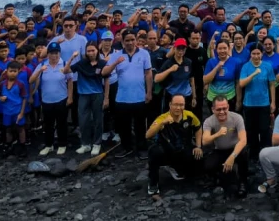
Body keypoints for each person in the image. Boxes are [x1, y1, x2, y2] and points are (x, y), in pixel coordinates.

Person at [101, 30, 153, 159]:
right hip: (122, 97)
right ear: (122, 42)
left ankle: (141, 148)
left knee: (140, 125)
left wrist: (149, 92)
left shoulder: (144, 53)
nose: (130, 42)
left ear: (136, 40)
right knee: (124, 126)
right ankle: (126, 148)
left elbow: (148, 73)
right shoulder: (116, 55)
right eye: (127, 40)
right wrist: (115, 63)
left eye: (132, 39)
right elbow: (104, 72)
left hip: (139, 96)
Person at [145, 93, 203, 197]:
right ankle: (153, 185)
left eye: (181, 105)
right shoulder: (163, 117)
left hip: (183, 148)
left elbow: (198, 128)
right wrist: (162, 123)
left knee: (198, 155)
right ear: (170, 105)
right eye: (175, 104)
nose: (178, 107)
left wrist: (198, 146)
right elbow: (148, 135)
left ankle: (180, 170)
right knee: (154, 152)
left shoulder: (189, 115)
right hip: (167, 150)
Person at [65, 42, 109, 156]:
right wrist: (72, 57)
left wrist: (106, 98)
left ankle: (97, 144)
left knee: (98, 120)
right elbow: (66, 70)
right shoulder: (81, 63)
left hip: (98, 94)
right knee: (83, 121)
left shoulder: (102, 63)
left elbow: (107, 81)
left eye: (92, 50)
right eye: (88, 51)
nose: (90, 53)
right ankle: (85, 144)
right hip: (83, 95)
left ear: (97, 51)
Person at [202, 94, 249, 198]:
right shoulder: (209, 121)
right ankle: (218, 177)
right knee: (208, 165)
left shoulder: (237, 118)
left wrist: (232, 157)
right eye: (219, 109)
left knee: (244, 152)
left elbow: (243, 140)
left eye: (224, 108)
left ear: (228, 107)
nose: (222, 112)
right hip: (219, 150)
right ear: (213, 109)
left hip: (235, 149)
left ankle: (243, 182)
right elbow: (205, 141)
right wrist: (217, 134)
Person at [30, 42, 72, 156]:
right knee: (48, 124)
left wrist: (70, 97)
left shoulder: (64, 64)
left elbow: (70, 80)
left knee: (62, 123)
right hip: (47, 100)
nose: (54, 56)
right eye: (52, 53)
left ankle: (62, 144)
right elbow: (31, 80)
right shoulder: (42, 65)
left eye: (56, 53)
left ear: (59, 53)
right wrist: (39, 70)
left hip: (61, 99)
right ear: (48, 54)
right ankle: (49, 145)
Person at [239, 42, 276, 160]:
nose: (256, 56)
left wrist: (273, 102)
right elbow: (241, 83)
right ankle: (254, 154)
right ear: (250, 54)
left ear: (262, 54)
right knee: (251, 129)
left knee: (265, 129)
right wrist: (254, 73)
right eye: (253, 54)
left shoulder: (267, 66)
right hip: (249, 103)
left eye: (258, 53)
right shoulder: (245, 67)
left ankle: (266, 153)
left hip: (264, 103)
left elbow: (271, 84)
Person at [154, 38, 195, 111]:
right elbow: (156, 79)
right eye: (179, 48)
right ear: (174, 48)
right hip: (171, 96)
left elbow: (191, 80)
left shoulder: (188, 62)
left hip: (186, 96)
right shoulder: (168, 63)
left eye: (183, 49)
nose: (181, 51)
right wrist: (170, 70)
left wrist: (194, 97)